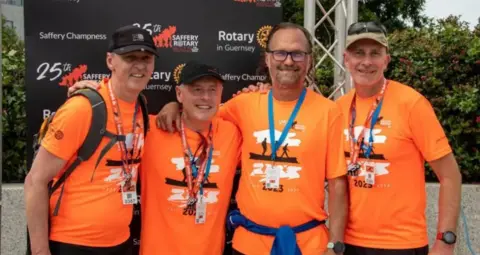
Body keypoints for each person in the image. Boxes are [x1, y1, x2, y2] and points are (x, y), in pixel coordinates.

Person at [242, 21, 463, 255]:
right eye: (358, 53)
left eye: (374, 53)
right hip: (348, 243)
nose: (366, 62)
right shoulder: (338, 109)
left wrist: (445, 240)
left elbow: (450, 175)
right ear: (346, 59)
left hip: (400, 244)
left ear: (386, 60)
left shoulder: (412, 104)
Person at [157, 22, 349, 255]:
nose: (288, 61)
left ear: (309, 60)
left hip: (309, 246)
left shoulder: (329, 112)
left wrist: (335, 246)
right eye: (280, 52)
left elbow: (338, 185)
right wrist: (173, 106)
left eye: (297, 54)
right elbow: (199, 114)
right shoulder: (242, 104)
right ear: (267, 59)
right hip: (248, 244)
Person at [65, 61, 242, 255]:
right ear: (179, 94)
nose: (206, 97)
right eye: (197, 89)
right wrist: (87, 96)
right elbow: (112, 113)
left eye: (212, 90)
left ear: (221, 94)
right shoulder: (150, 129)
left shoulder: (232, 133)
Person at [24, 25, 158, 255]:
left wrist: (175, 107)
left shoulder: (141, 108)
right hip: (73, 244)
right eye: (130, 57)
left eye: (146, 58)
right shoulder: (82, 108)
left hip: (121, 242)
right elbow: (35, 181)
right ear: (110, 61)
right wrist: (39, 251)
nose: (139, 65)